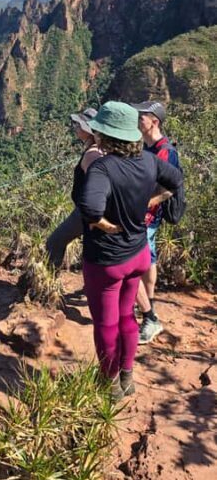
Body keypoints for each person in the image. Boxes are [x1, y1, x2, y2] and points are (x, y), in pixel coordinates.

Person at [77, 101, 183, 400]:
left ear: (103, 134)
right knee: (126, 317)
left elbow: (89, 207)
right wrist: (154, 200)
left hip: (107, 260)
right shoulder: (149, 161)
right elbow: (175, 180)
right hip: (137, 254)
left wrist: (106, 226)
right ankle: (127, 375)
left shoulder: (103, 166)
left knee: (106, 322)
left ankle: (109, 383)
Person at [131, 101, 180, 344]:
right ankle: (146, 303)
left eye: (142, 116)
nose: (137, 119)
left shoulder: (165, 151)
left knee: (137, 263)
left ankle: (150, 317)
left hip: (147, 218)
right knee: (148, 260)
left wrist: (146, 204)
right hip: (141, 216)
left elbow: (171, 187)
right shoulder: (147, 147)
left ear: (154, 122)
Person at [46, 107, 103, 271]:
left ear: (88, 129)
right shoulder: (94, 150)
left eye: (79, 125)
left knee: (55, 241)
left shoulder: (92, 155)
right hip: (87, 210)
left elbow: (98, 185)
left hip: (86, 212)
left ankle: (50, 283)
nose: (75, 128)